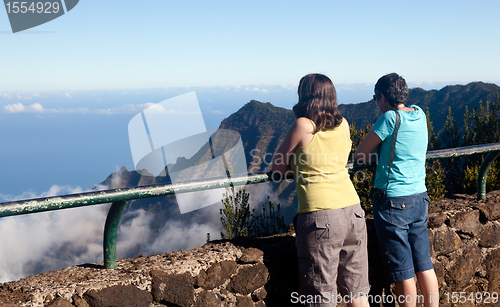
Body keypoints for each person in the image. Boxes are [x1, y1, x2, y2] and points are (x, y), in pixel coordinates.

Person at [272, 73, 370, 307]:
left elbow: (276, 168)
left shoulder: (303, 125)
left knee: (321, 297)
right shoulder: (344, 124)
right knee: (357, 293)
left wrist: (300, 169)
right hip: (353, 211)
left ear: (304, 96)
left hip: (320, 216)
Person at [355, 73, 439, 307]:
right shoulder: (419, 113)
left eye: (375, 98)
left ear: (382, 97)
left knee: (403, 271)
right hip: (420, 198)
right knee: (424, 264)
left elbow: (361, 154)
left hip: (393, 202)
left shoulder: (389, 119)